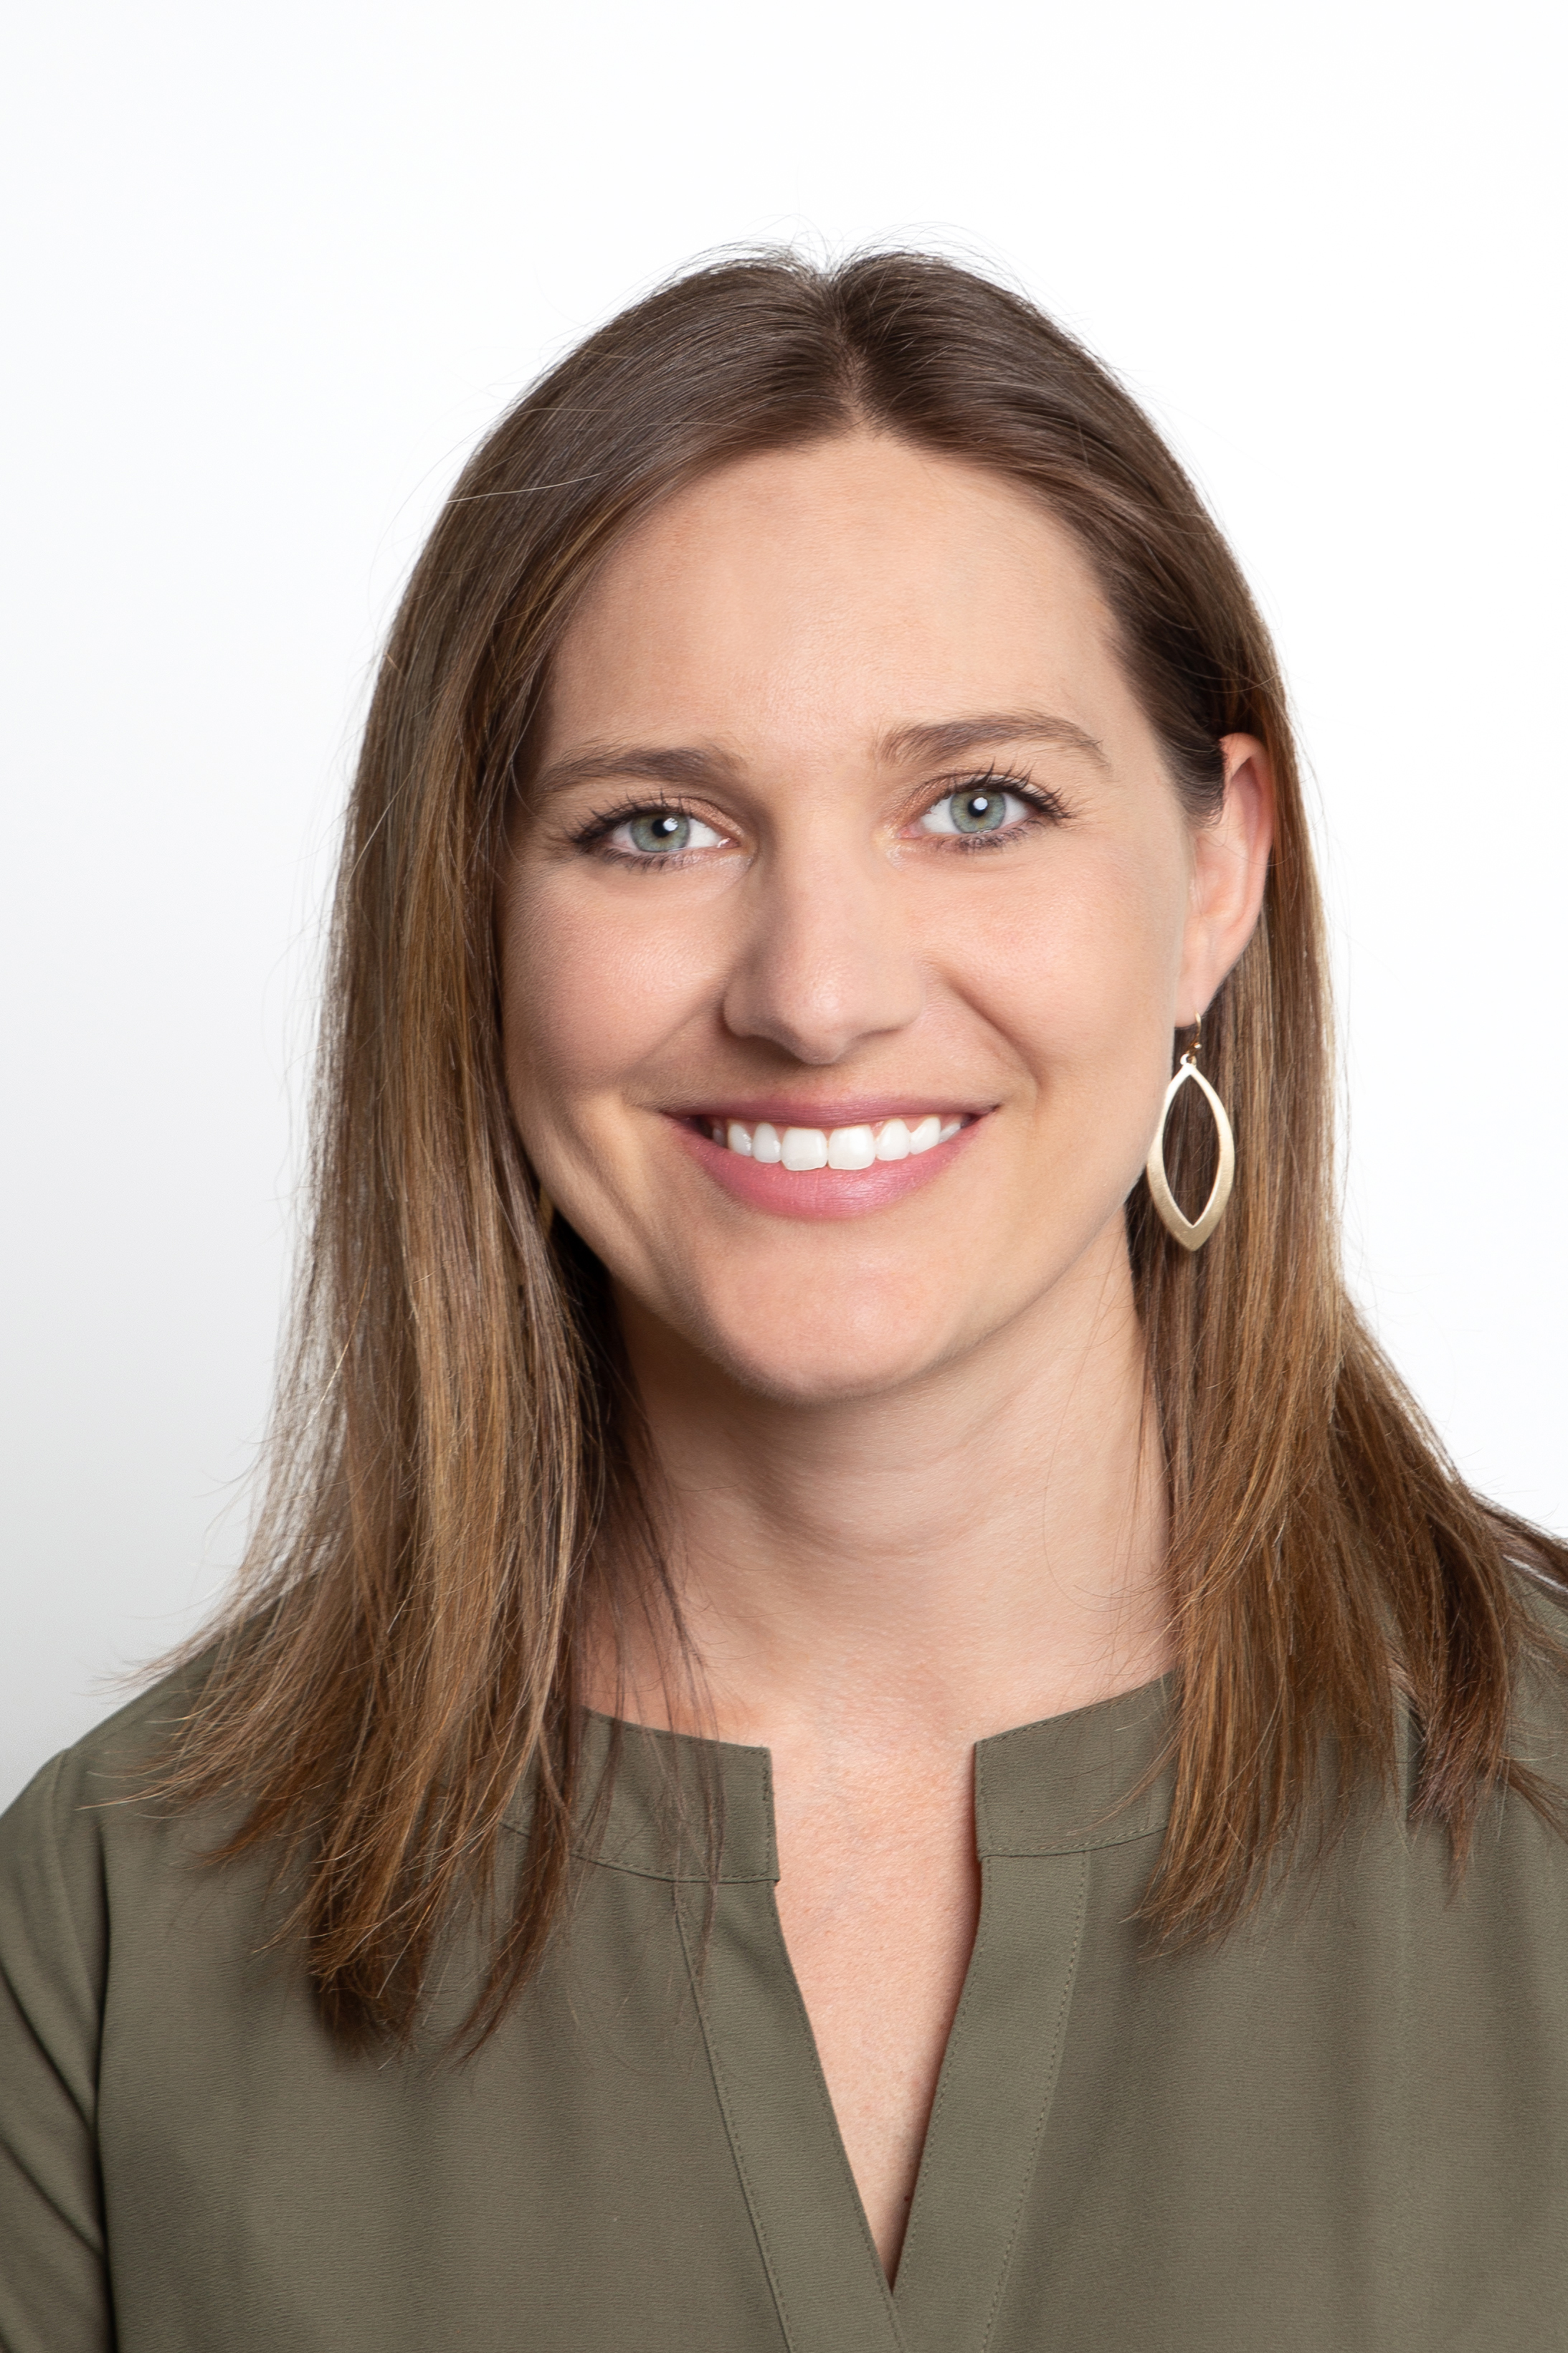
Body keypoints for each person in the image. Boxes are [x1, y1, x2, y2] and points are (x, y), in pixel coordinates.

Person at [3, 251, 1566, 2353]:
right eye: (652, 826)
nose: (816, 989)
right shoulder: (113, 1923)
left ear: (1214, 874)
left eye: (977, 803)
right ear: (466, 924)